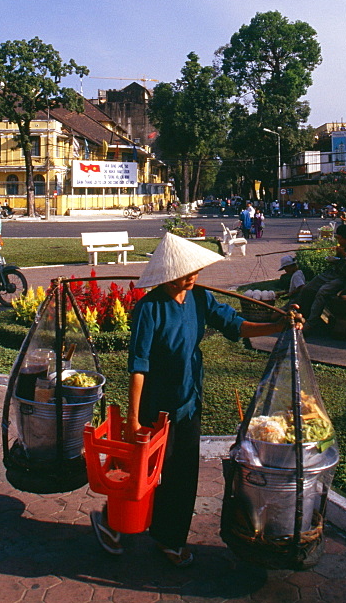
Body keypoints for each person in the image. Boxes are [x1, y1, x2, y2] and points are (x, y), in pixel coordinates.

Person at [90, 232, 301, 566]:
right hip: (154, 406)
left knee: (182, 475)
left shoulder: (200, 298)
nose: (191, 278)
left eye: (193, 272)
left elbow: (235, 326)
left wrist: (277, 326)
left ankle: (169, 539)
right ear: (168, 275)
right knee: (140, 474)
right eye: (184, 274)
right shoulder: (149, 308)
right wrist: (133, 419)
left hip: (188, 400)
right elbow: (138, 366)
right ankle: (110, 522)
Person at [285, 225, 346, 336]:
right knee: (308, 289)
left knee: (322, 292)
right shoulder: (344, 248)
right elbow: (340, 261)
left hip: (345, 278)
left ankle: (311, 324)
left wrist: (345, 256)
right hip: (332, 273)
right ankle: (299, 316)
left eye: (340, 238)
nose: (338, 241)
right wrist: (337, 257)